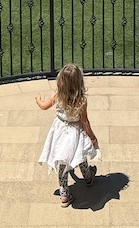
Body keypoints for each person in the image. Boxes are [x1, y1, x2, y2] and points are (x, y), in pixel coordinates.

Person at [35, 63, 100, 207]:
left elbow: (44, 106)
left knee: (62, 163)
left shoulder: (58, 95)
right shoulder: (81, 100)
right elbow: (85, 121)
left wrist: (38, 99)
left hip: (60, 131)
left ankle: (64, 193)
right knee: (80, 155)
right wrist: (92, 137)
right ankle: (88, 177)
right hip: (75, 132)